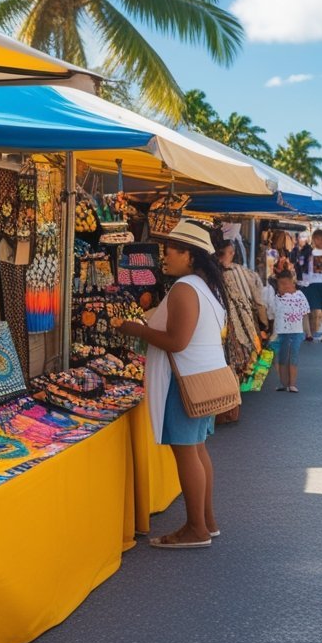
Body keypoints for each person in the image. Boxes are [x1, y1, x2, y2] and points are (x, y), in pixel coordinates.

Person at [116, 219, 228, 549]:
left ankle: (196, 529)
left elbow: (177, 341)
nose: (164, 256)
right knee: (197, 450)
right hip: (203, 377)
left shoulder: (185, 288)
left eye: (170, 251)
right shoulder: (207, 288)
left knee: (187, 454)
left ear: (189, 255)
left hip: (185, 382)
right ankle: (206, 521)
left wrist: (134, 328)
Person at [216, 240, 268, 382]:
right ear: (231, 253)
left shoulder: (207, 273)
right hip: (244, 324)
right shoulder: (245, 273)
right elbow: (258, 302)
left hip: (219, 324)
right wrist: (264, 325)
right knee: (243, 359)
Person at [271, 271, 310, 392]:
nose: (283, 287)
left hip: (296, 332)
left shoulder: (300, 296)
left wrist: (308, 332)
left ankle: (292, 384)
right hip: (279, 332)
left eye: (285, 283)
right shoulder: (276, 297)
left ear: (292, 283)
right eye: (280, 284)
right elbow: (272, 315)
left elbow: (305, 315)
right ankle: (283, 383)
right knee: (281, 358)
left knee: (293, 357)